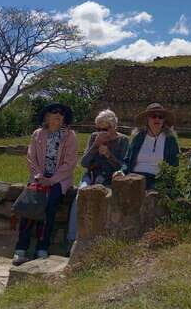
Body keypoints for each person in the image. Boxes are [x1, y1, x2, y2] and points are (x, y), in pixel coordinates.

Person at [12, 103, 77, 266]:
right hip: (38, 178)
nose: (58, 115)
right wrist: (38, 176)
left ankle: (42, 247)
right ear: (46, 116)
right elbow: (31, 157)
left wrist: (53, 179)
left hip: (59, 180)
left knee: (49, 206)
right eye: (54, 112)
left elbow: (70, 163)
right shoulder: (38, 134)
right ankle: (20, 249)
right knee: (29, 207)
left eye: (62, 113)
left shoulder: (70, 136)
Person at [66, 109, 129, 246]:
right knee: (79, 198)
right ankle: (72, 240)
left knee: (107, 202)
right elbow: (84, 163)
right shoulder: (94, 137)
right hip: (92, 176)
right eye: (98, 128)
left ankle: (101, 242)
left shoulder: (123, 140)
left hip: (109, 180)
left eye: (105, 129)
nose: (101, 132)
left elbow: (123, 166)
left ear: (114, 127)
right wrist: (95, 146)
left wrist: (108, 155)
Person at [114, 103, 179, 189]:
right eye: (154, 116)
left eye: (161, 117)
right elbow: (127, 160)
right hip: (135, 177)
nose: (157, 119)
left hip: (157, 180)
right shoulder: (138, 138)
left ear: (164, 120)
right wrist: (121, 171)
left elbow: (174, 164)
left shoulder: (170, 140)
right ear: (147, 119)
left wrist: (167, 181)